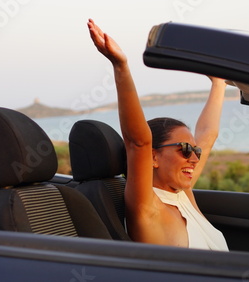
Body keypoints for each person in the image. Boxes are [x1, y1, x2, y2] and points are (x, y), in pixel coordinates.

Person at [87, 19, 229, 251]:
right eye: (184, 149)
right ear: (153, 157)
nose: (193, 158)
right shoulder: (148, 209)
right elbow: (138, 142)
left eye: (195, 151)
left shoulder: (183, 195)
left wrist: (219, 83)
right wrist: (120, 66)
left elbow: (208, 134)